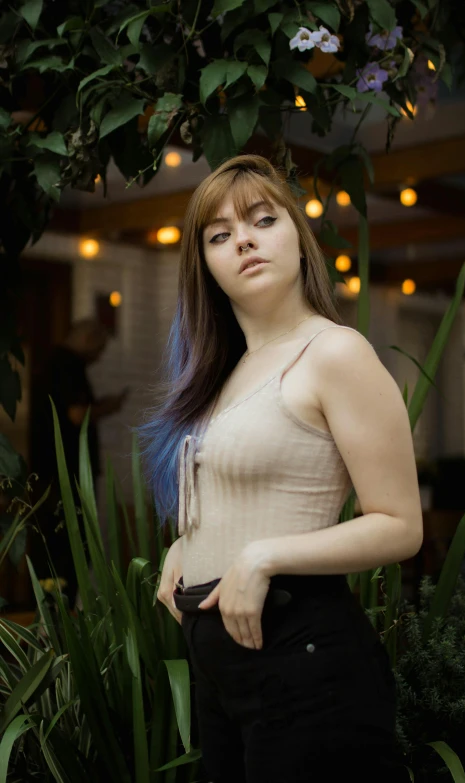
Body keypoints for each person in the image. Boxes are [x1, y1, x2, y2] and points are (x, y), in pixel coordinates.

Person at [137, 155, 423, 782]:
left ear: (298, 235)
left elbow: (401, 525)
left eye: (263, 220)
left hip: (302, 654)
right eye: (219, 236)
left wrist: (262, 556)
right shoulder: (220, 375)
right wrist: (186, 544)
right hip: (220, 665)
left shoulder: (335, 353)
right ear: (207, 268)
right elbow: (246, 492)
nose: (243, 239)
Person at [30, 318, 129, 606]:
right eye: (98, 350)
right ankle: (59, 616)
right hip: (66, 476)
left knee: (58, 546)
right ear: (88, 340)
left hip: (54, 474)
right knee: (68, 546)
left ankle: (55, 613)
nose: (97, 358)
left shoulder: (53, 363)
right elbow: (76, 415)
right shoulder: (66, 364)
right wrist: (107, 407)